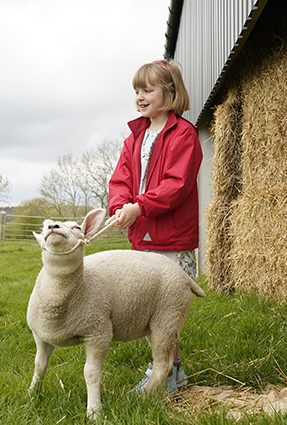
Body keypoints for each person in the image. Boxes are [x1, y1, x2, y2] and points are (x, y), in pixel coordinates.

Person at [108, 59, 203, 392]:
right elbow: (120, 178)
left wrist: (140, 206)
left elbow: (176, 185)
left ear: (170, 91)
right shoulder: (135, 137)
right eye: (137, 90)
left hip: (172, 238)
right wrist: (121, 206)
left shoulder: (184, 134)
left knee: (168, 310)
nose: (140, 96)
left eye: (148, 89)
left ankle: (165, 373)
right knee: (152, 310)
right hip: (143, 236)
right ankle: (171, 372)